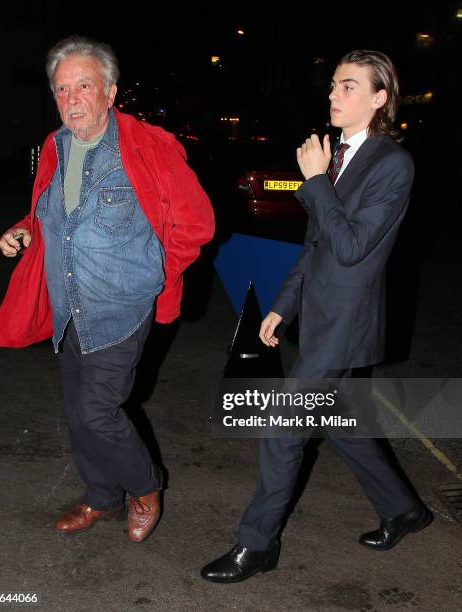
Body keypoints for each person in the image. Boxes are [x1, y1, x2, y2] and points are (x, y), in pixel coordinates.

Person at [201, 49, 432, 583]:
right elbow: (317, 246)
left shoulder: (394, 164)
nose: (333, 94)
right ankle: (405, 510)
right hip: (321, 315)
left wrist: (314, 182)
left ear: (380, 99)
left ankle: (256, 544)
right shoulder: (337, 157)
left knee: (283, 429)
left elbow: (351, 247)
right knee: (341, 423)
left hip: (347, 323)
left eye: (348, 86)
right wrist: (284, 304)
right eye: (332, 84)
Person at [0, 35, 214, 542]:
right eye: (61, 89)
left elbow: (196, 225)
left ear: (111, 91)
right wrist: (23, 230)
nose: (71, 99)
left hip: (120, 308)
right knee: (78, 412)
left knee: (98, 411)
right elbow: (49, 215)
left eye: (83, 86)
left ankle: (144, 486)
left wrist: (153, 277)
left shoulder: (149, 146)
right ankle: (100, 496)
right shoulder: (54, 146)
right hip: (67, 304)